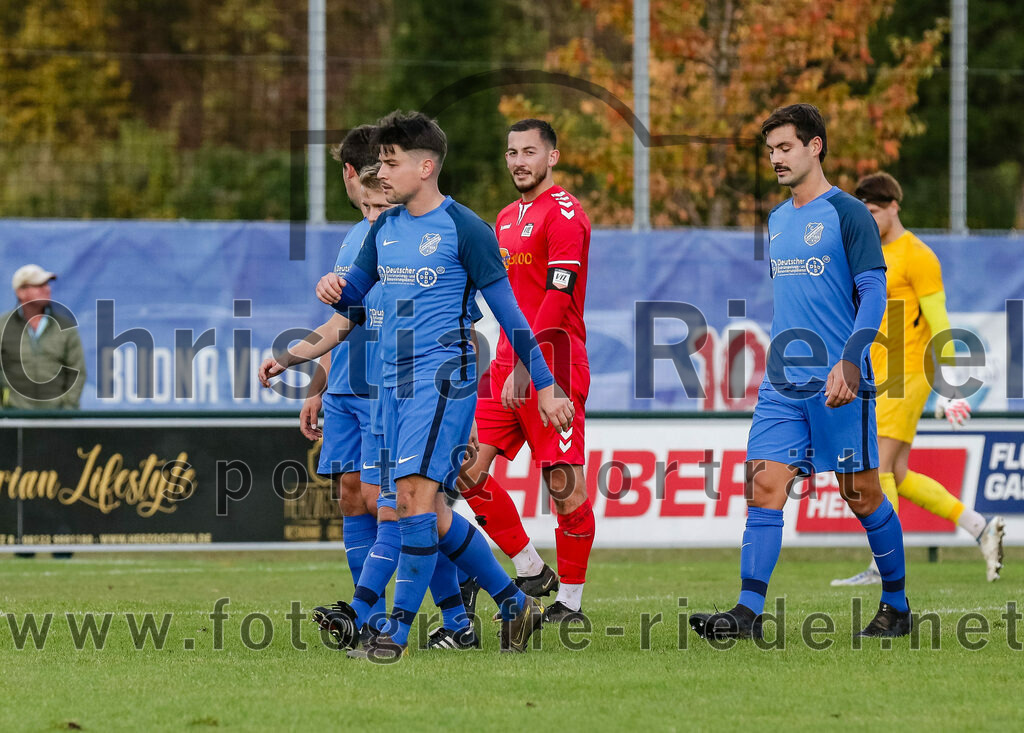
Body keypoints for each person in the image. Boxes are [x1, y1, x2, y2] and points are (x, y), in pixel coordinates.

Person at [260, 110, 574, 661]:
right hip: (390, 388)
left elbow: (513, 317)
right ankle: (510, 600)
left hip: (442, 382)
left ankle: (392, 632)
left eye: (391, 162)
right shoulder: (383, 229)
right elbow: (347, 315)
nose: (380, 173)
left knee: (410, 501)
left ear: (425, 167)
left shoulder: (466, 229)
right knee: (428, 512)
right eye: (379, 162)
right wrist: (293, 355)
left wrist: (546, 386)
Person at [690, 104, 911, 641]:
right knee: (763, 483)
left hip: (840, 382)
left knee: (861, 493)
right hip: (783, 381)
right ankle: (745, 614)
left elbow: (873, 292)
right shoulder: (778, 219)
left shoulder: (850, 214)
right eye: (770, 151)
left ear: (815, 147)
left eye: (785, 147)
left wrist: (851, 359)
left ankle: (897, 606)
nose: (776, 159)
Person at [313, 164, 480, 654]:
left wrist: (458, 407)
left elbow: (461, 328)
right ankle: (491, 606)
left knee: (405, 508)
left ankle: (373, 615)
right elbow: (342, 318)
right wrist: (316, 380)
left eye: (379, 207)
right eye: (365, 207)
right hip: (362, 389)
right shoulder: (362, 241)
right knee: (372, 501)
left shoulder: (428, 243)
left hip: (408, 394)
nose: (372, 216)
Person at [830, 172, 1005, 585]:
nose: (868, 221)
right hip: (877, 377)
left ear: (893, 206)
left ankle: (881, 566)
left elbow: (940, 323)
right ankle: (981, 527)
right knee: (900, 475)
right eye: (863, 213)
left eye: (873, 212)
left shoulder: (919, 256)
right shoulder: (865, 253)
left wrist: (949, 386)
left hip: (908, 375)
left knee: (878, 469)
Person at [458, 119, 595, 625]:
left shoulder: (565, 214)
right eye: (512, 151)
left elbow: (558, 298)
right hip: (505, 364)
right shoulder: (505, 218)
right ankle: (530, 567)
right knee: (464, 468)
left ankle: (570, 604)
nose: (519, 161)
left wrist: (526, 364)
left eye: (530, 152)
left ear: (552, 157)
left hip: (553, 363)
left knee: (563, 484)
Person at [0, 264, 85, 410]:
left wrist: (67, 408)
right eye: (38, 285)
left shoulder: (65, 326)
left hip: (57, 420)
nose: (46, 289)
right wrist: (5, 408)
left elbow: (77, 371)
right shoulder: (2, 326)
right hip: (14, 419)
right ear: (21, 292)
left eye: (46, 284)